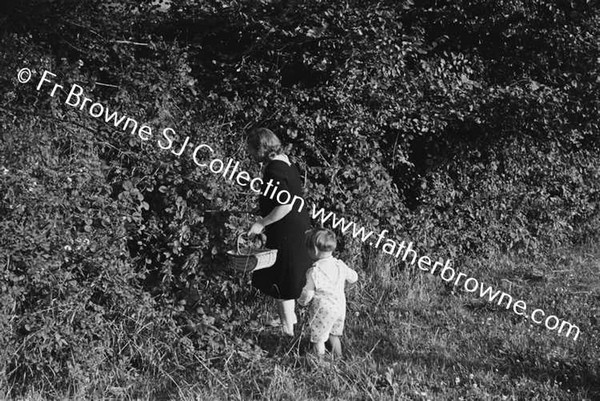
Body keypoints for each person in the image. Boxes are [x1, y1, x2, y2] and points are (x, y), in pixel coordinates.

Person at [247, 127, 312, 336]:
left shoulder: (274, 169)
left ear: (260, 148)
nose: (249, 154)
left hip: (287, 228)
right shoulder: (286, 162)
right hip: (297, 224)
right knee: (289, 275)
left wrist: (261, 223)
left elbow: (284, 205)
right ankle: (291, 320)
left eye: (250, 149)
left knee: (283, 280)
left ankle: (287, 332)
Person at [298, 228, 358, 357]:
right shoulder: (339, 265)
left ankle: (318, 362)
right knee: (334, 334)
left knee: (319, 338)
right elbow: (354, 277)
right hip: (340, 307)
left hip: (323, 309)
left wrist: (301, 301)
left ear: (314, 250)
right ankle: (339, 358)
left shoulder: (314, 271)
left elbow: (308, 293)